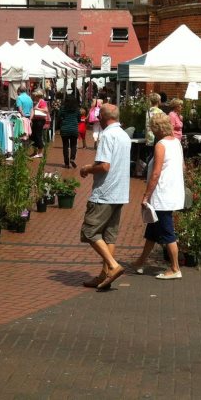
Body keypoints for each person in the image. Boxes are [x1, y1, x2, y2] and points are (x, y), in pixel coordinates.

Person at [79, 104, 130, 290]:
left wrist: (87, 169)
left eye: (99, 115)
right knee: (109, 235)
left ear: (103, 117)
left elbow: (105, 166)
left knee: (89, 231)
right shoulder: (124, 135)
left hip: (105, 192)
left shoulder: (107, 135)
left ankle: (113, 265)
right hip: (120, 192)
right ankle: (105, 275)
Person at [132, 114, 185, 280]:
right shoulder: (176, 142)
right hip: (173, 192)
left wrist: (146, 195)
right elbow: (183, 167)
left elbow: (156, 173)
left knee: (167, 231)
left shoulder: (161, 145)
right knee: (153, 231)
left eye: (152, 128)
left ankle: (175, 268)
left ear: (157, 128)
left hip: (162, 194)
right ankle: (140, 262)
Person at [57, 93, 80, 168]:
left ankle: (66, 163)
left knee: (65, 146)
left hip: (65, 129)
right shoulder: (77, 109)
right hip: (74, 129)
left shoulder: (63, 108)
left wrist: (62, 121)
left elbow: (59, 117)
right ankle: (72, 158)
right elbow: (79, 119)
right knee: (73, 145)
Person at [29, 89, 48, 158]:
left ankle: (40, 152)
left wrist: (38, 109)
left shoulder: (42, 101)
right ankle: (35, 152)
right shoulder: (36, 101)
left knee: (38, 136)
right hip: (36, 120)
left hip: (40, 120)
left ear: (37, 96)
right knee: (33, 136)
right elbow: (33, 111)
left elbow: (46, 110)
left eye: (34, 95)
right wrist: (31, 119)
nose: (34, 97)